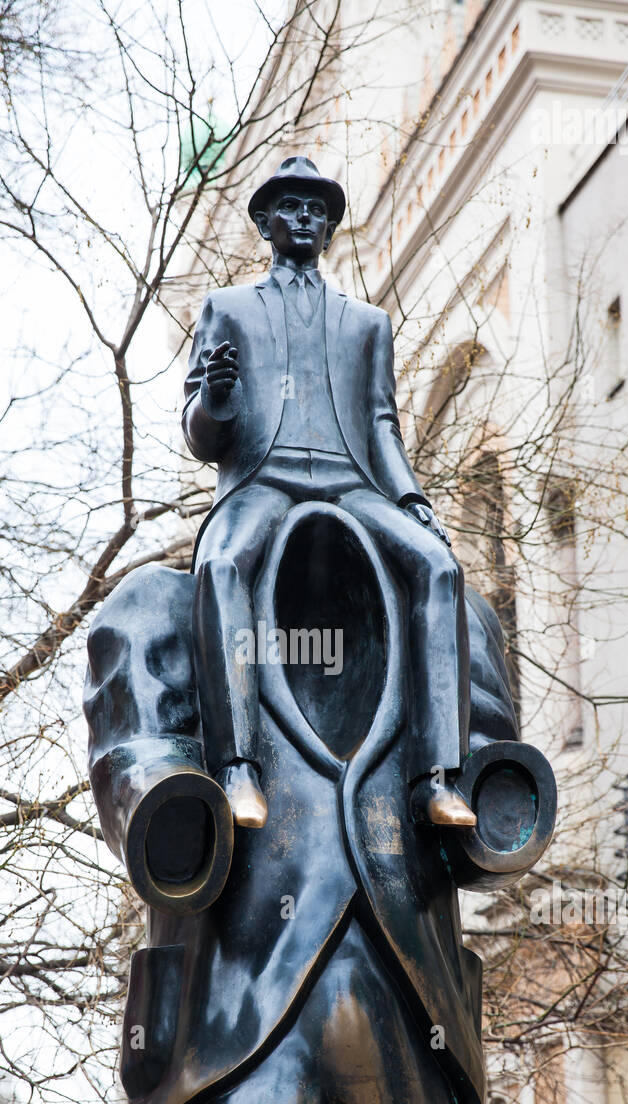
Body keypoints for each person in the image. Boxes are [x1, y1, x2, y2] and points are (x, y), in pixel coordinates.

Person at [184, 155, 476, 831]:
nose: (305, 217)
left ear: (331, 227)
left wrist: (411, 501)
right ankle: (238, 769)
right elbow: (200, 434)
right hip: (264, 481)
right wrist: (219, 396)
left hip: (352, 484)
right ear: (265, 222)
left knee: (438, 567)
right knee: (222, 565)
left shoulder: (367, 323)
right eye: (290, 206)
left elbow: (382, 425)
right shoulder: (226, 308)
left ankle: (436, 778)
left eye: (318, 209)